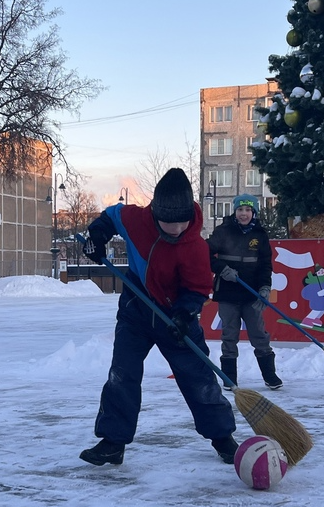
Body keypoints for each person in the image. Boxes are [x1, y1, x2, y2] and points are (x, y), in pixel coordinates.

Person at [80, 168, 238, 467]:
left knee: (199, 377)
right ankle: (113, 442)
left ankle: (223, 438)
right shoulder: (136, 220)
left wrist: (183, 314)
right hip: (136, 312)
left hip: (176, 317)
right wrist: (96, 237)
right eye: (169, 222)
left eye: (183, 222)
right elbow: (111, 216)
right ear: (155, 212)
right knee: (121, 375)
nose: (177, 228)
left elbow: (198, 288)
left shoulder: (195, 247)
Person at [208, 194, 282, 390]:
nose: (243, 214)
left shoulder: (260, 234)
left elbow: (266, 264)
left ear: (254, 212)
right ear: (235, 211)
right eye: (240, 209)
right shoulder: (223, 231)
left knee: (259, 334)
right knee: (229, 335)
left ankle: (270, 375)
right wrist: (221, 269)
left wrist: (265, 287)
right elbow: (204, 254)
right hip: (228, 292)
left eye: (248, 210)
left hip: (252, 293)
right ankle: (229, 377)